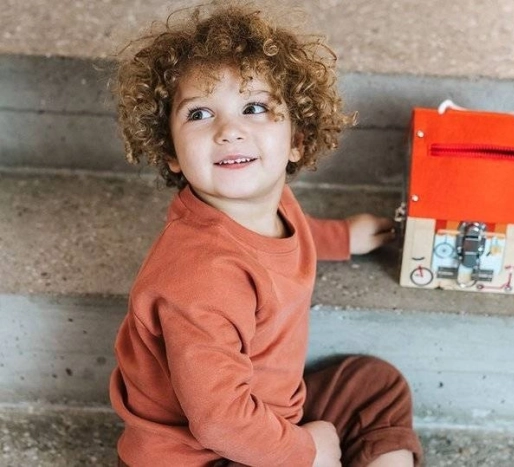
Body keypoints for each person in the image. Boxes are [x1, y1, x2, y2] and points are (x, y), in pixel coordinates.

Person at [109, 3, 423, 466]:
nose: (229, 130)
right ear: (170, 151)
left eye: (254, 108)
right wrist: (307, 452)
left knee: (373, 385)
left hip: (267, 413)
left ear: (296, 138)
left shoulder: (269, 203)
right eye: (198, 114)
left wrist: (341, 238)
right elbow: (220, 421)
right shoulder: (200, 277)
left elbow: (291, 234)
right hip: (200, 454)